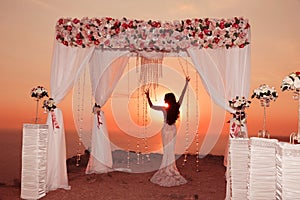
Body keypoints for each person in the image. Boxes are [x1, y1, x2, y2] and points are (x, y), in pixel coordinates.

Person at [145, 76, 190, 187]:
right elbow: (183, 95)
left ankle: (166, 167)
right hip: (173, 129)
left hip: (165, 129)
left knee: (166, 150)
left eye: (165, 99)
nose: (164, 100)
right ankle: (170, 167)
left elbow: (151, 106)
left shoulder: (164, 109)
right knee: (171, 149)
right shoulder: (177, 106)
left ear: (167, 100)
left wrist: (147, 96)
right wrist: (186, 83)